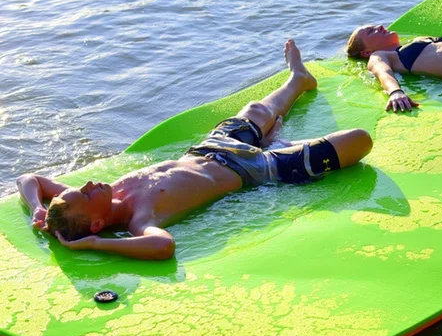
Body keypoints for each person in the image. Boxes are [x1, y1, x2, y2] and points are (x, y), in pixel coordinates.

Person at [16, 39, 373, 260]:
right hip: (255, 169)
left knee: (255, 110)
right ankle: (279, 144)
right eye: (86, 193)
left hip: (211, 148)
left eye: (81, 187)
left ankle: (298, 78)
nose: (88, 184)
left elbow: (29, 179)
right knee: (359, 139)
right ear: (96, 222)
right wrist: (93, 245)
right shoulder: (139, 219)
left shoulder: (104, 196)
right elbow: (163, 246)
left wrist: (37, 208)